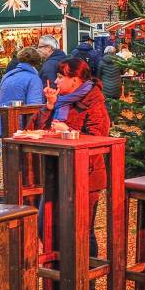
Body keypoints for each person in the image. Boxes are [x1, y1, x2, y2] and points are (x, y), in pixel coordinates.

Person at [40, 58, 110, 256]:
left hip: (85, 176)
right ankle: (61, 275)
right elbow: (36, 129)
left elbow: (99, 138)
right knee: (44, 226)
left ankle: (85, 281)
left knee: (83, 232)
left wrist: (68, 130)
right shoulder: (62, 101)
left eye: (61, 77)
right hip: (56, 172)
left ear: (76, 80)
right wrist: (49, 106)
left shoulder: (94, 102)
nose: (56, 82)